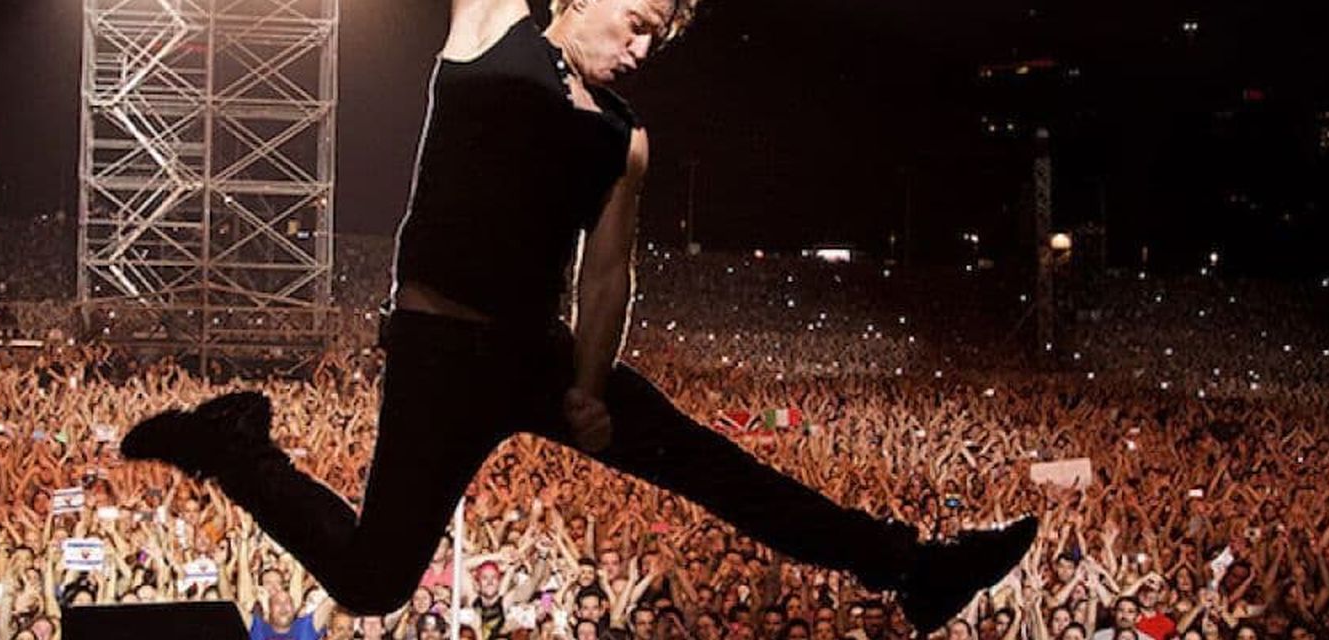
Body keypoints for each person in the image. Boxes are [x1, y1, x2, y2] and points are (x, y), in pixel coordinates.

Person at [122, 0, 1036, 633]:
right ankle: (236, 447)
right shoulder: (491, 30)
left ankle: (914, 568)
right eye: (637, 24)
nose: (642, 50)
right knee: (372, 583)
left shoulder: (623, 136)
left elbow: (606, 278)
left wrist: (591, 388)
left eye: (657, 40)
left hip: (538, 356)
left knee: (717, 468)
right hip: (439, 351)